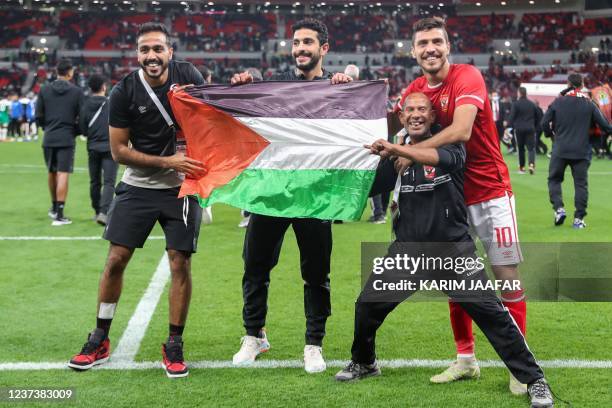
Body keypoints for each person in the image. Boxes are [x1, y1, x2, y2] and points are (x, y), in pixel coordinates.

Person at [335, 92, 555, 408]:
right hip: (407, 252)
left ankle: (535, 380)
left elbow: (444, 160)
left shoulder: (450, 145)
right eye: (409, 110)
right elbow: (365, 186)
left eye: (422, 109)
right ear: (401, 117)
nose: (415, 114)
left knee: (492, 315)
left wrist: (401, 149)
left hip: (452, 252)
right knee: (367, 306)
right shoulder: (394, 157)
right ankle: (364, 362)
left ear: (433, 116)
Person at [393, 17, 527, 395]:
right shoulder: (415, 89)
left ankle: (518, 365)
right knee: (457, 278)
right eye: (423, 43)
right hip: (451, 196)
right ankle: (466, 359)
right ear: (414, 51)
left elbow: (463, 131)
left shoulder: (467, 77)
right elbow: (397, 123)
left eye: (437, 41)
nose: (430, 48)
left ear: (448, 46)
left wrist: (410, 151)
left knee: (506, 277)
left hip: (490, 192)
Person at [68, 22, 206, 378]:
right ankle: (100, 336)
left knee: (180, 262)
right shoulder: (124, 91)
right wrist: (167, 161)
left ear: (170, 52)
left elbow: (213, 116)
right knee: (116, 259)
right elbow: (118, 152)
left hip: (180, 186)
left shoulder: (189, 75)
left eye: (158, 49)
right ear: (137, 54)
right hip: (140, 183)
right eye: (145, 50)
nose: (152, 56)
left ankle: (174, 343)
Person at [229, 18, 352, 374]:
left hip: (314, 197)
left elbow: (358, 129)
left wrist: (346, 89)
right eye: (296, 43)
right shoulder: (276, 88)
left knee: (316, 274)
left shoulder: (335, 90)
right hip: (272, 193)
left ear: (323, 49)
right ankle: (254, 335)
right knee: (255, 266)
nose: (299, 49)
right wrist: (243, 89)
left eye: (307, 43)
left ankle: (314, 343)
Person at [541, 73, 612, 229]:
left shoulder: (558, 102)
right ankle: (578, 219)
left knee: (554, 180)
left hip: (560, 149)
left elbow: (544, 123)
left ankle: (559, 209)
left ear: (567, 84)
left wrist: (551, 135)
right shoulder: (589, 103)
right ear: (582, 85)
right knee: (581, 185)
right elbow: (605, 126)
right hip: (581, 151)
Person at [36, 59, 84, 225]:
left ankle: (54, 207)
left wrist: (47, 128)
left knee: (51, 172)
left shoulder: (44, 90)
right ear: (70, 72)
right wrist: (76, 131)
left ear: (56, 72)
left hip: (49, 136)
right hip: (66, 137)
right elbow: (82, 118)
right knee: (63, 173)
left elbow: (38, 116)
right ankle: (60, 214)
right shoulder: (77, 92)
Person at [78, 74, 118, 226]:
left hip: (93, 147)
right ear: (104, 87)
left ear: (90, 88)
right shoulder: (111, 103)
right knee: (109, 182)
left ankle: (96, 211)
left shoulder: (85, 105)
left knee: (94, 181)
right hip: (110, 147)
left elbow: (82, 129)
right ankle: (104, 212)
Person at [508, 87, 540, 174]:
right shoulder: (532, 104)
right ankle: (531, 165)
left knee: (521, 149)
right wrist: (535, 126)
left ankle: (522, 168)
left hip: (519, 129)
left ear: (519, 93)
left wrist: (509, 126)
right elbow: (538, 117)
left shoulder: (516, 104)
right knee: (531, 148)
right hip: (530, 128)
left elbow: (511, 117)